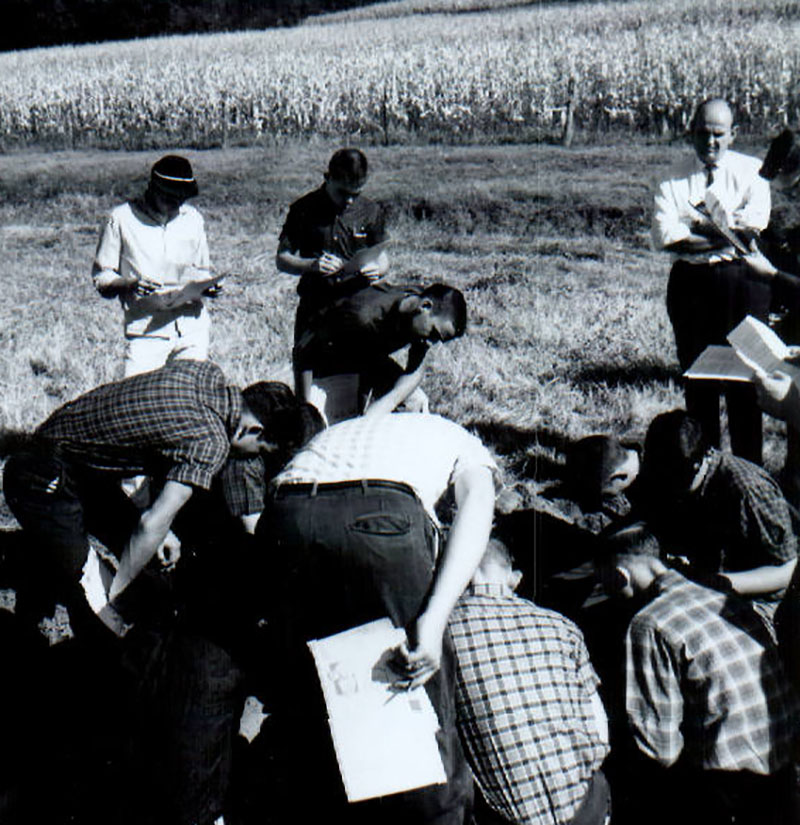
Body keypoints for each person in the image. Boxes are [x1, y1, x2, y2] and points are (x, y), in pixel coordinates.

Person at [255, 411, 497, 824]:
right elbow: (478, 504)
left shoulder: (350, 432)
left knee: (322, 688)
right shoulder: (467, 447)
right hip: (380, 519)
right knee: (414, 679)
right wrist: (434, 621)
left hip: (285, 516)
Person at [597, 523, 797, 825]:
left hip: (730, 784)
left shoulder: (648, 624)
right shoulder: (723, 595)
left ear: (618, 576)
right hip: (782, 759)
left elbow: (659, 747)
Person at [449, 538, 610, 825]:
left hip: (509, 815)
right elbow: (598, 722)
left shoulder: (440, 636)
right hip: (587, 803)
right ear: (514, 578)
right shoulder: (560, 624)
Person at [652, 98, 772, 464]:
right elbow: (667, 236)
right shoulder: (671, 177)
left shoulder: (753, 173)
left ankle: (749, 473)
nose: (711, 142)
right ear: (691, 133)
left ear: (733, 134)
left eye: (719, 134)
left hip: (743, 285)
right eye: (703, 133)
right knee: (698, 384)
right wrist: (725, 230)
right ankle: (704, 473)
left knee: (745, 389)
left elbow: (754, 226)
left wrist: (698, 227)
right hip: (692, 287)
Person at [637, 409, 797, 627]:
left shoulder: (749, 490)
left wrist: (716, 583)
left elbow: (786, 571)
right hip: (699, 580)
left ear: (705, 456)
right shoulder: (665, 468)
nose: (671, 488)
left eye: (680, 481)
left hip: (759, 599)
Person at [92, 154, 220, 377]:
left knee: (188, 402)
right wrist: (129, 284)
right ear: (153, 188)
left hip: (192, 328)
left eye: (180, 200)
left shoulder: (193, 219)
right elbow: (102, 278)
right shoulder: (121, 219)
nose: (174, 205)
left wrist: (207, 285)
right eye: (169, 198)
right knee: (137, 404)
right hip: (147, 330)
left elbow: (201, 269)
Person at [293, 281, 467, 423]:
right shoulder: (364, 315)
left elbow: (416, 368)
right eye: (434, 334)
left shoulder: (419, 308)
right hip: (328, 364)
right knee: (318, 424)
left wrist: (387, 403)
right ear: (426, 306)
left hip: (369, 359)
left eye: (438, 339)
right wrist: (304, 407)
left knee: (416, 403)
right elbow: (305, 349)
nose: (431, 343)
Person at [275, 147, 390, 346]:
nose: (349, 200)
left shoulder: (371, 211)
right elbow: (282, 259)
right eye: (342, 193)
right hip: (315, 307)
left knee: (354, 373)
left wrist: (377, 270)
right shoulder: (303, 209)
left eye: (356, 193)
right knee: (307, 369)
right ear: (328, 178)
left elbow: (382, 258)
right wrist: (311, 265)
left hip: (359, 306)